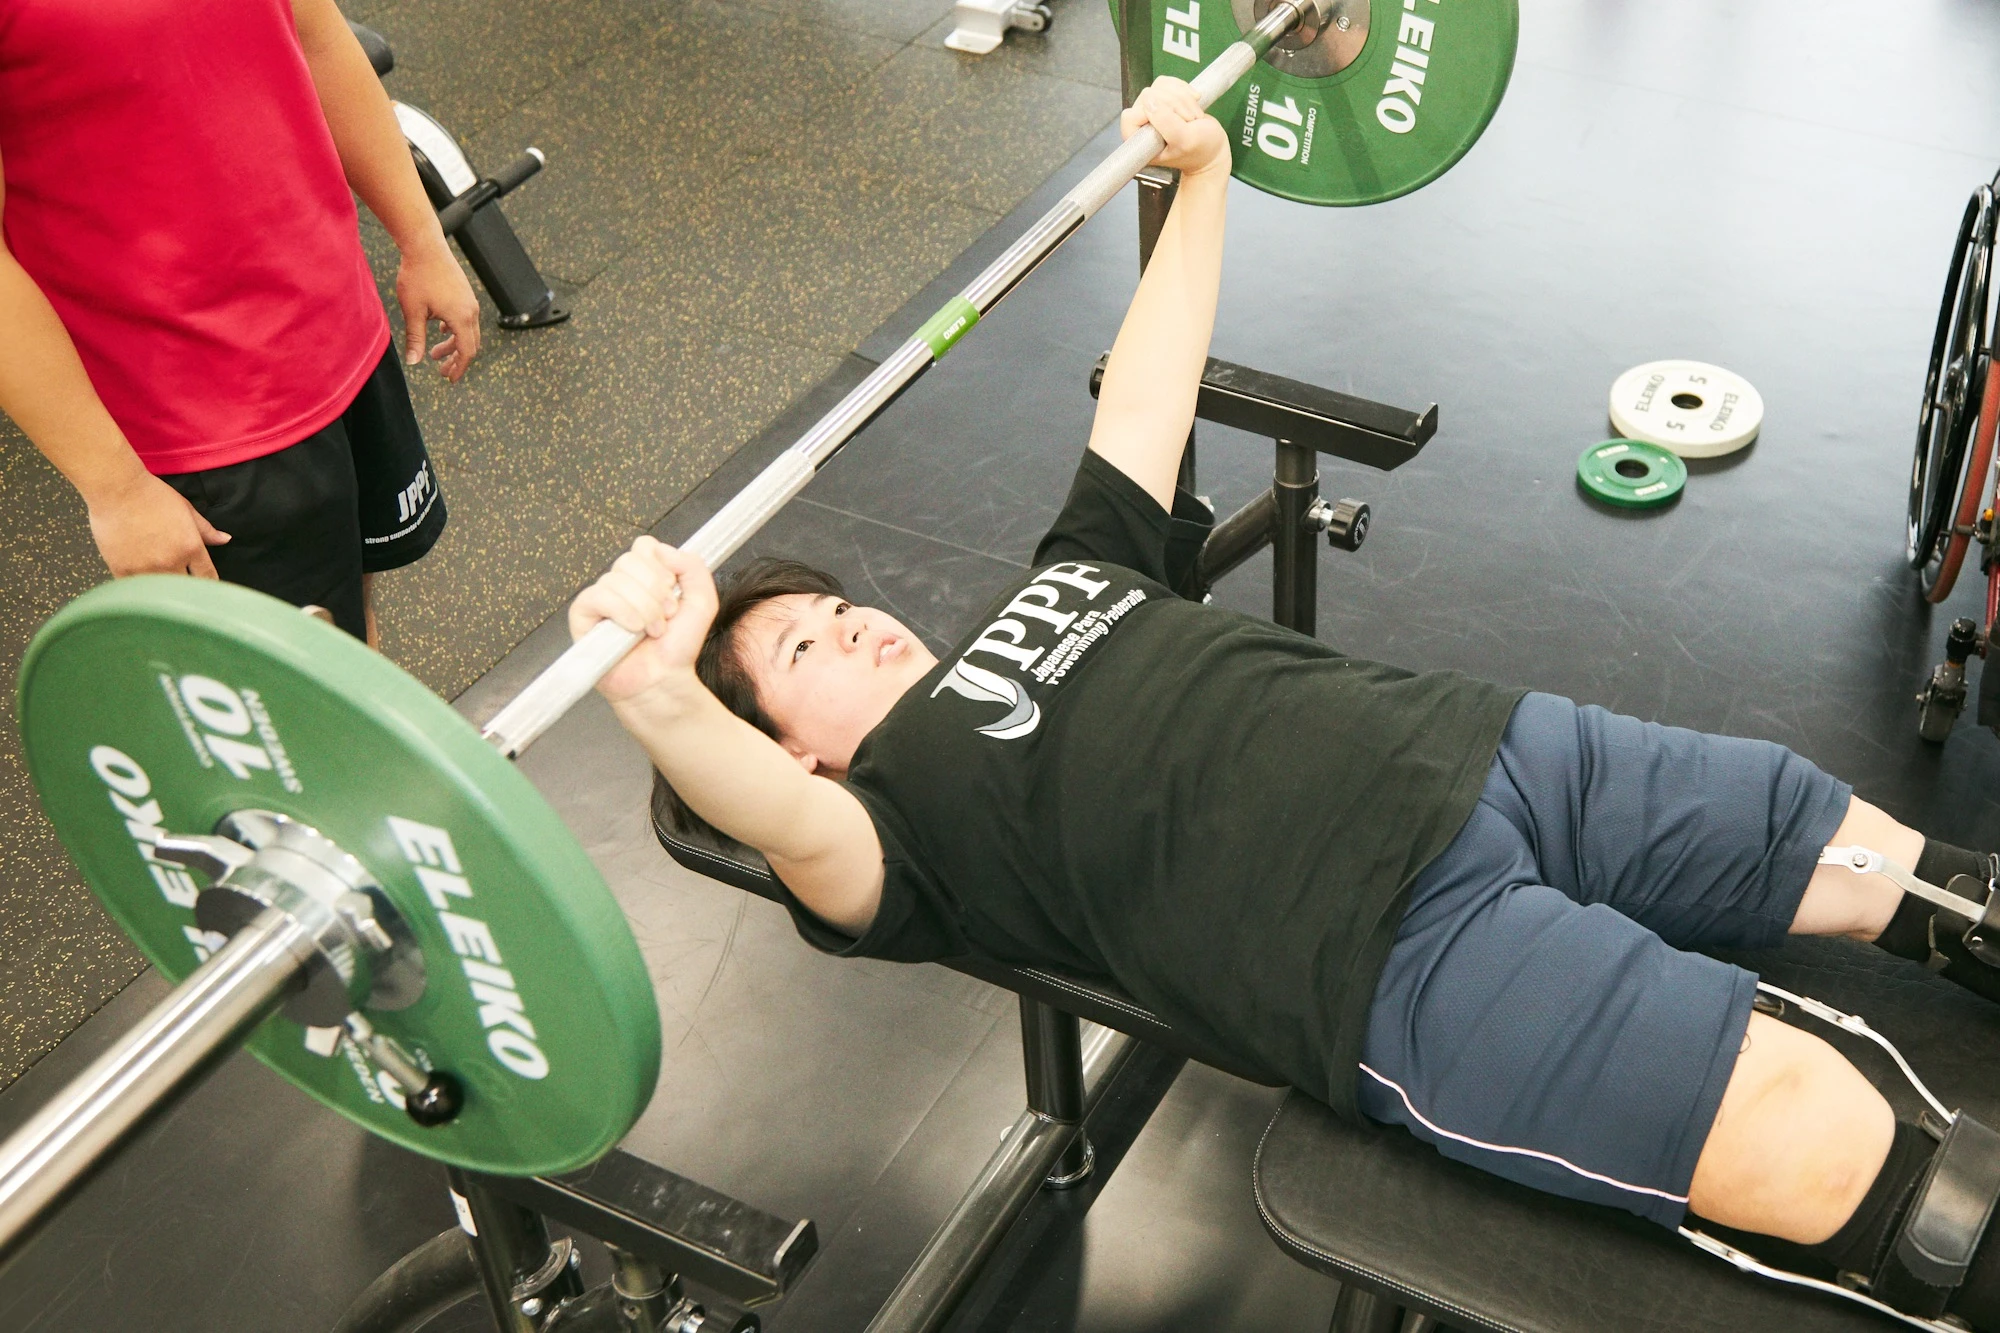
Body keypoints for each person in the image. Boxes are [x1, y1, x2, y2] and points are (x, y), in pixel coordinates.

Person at [572, 82, 2000, 1323]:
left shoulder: (1066, 575)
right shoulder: (890, 836)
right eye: (804, 652)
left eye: (833, 606)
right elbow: (769, 816)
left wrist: (1204, 177)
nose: (853, 624)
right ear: (800, 756)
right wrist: (655, 690)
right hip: (1384, 954)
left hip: (1480, 750)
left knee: (1862, 855)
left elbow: (1144, 401)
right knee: (1822, 1135)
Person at [0, 0, 480, 646]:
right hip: (205, 415)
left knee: (351, 626)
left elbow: (316, 37)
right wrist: (118, 490)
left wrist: (421, 238)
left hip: (336, 324)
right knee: (288, 682)